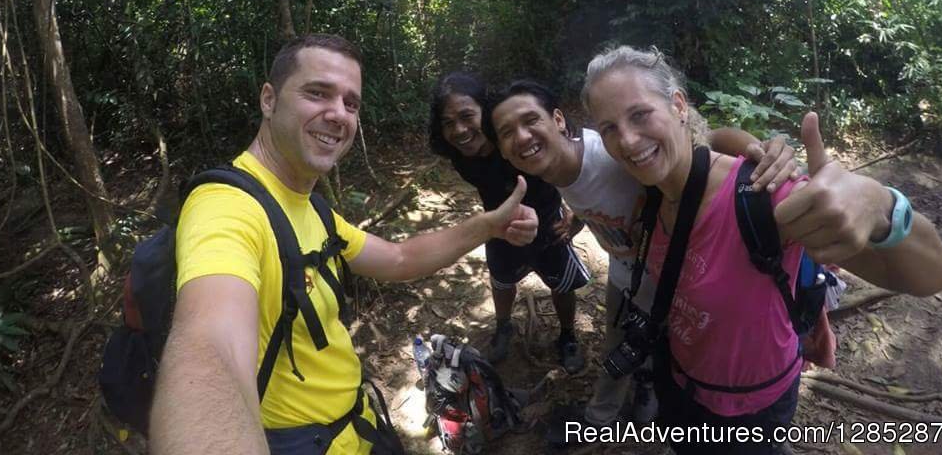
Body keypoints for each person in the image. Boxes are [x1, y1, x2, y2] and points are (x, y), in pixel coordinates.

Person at [149, 35, 540, 455]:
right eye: (317, 93)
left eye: (351, 103)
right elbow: (210, 346)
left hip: (357, 425)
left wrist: (488, 227)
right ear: (268, 99)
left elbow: (398, 257)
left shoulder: (309, 207)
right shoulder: (225, 207)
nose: (338, 114)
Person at [579, 45, 942, 454]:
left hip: (750, 408)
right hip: (680, 381)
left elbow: (932, 275)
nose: (628, 140)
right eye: (610, 128)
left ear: (678, 105)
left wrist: (882, 207)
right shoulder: (647, 192)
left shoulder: (762, 195)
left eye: (640, 114)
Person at [484, 79, 798, 433]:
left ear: (558, 119)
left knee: (671, 355)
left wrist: (760, 150)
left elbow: (701, 144)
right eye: (507, 132)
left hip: (681, 279)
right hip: (628, 276)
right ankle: (628, 405)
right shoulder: (547, 170)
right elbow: (599, 202)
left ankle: (619, 411)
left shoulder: (610, 155)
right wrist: (577, 223)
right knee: (627, 343)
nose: (522, 136)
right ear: (502, 149)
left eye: (530, 121)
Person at [428, 72, 590, 373]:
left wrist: (578, 215)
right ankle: (504, 327)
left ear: (485, 112)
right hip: (500, 228)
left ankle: (568, 335)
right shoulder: (461, 154)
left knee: (562, 283)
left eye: (467, 116)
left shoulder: (517, 144)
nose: (460, 130)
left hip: (549, 225)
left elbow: (570, 161)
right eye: (448, 123)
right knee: (501, 281)